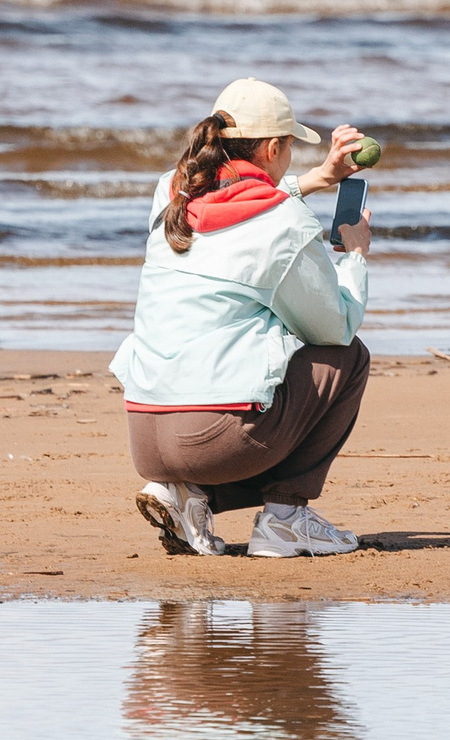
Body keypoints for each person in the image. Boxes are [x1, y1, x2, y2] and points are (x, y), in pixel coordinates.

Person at [112, 78, 373, 557]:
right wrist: (355, 257)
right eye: (290, 147)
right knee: (346, 358)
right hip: (211, 440)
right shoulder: (284, 224)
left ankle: (184, 493)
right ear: (274, 147)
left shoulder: (169, 195)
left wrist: (318, 179)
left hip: (146, 440)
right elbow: (335, 325)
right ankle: (286, 517)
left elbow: (240, 199)